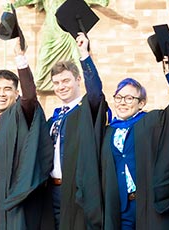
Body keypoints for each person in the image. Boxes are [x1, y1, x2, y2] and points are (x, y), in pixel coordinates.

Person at [99, 54, 169, 228]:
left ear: (141, 103)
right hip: (119, 208)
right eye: (118, 97)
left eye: (129, 98)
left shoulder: (151, 122)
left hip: (148, 203)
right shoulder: (108, 131)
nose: (122, 102)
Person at [0, 38, 55, 230]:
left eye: (7, 89)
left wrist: (20, 58)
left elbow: (29, 96)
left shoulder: (20, 115)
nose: (1, 94)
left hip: (15, 199)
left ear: (16, 93)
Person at [45, 33, 108, 229]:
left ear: (78, 79)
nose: (60, 87)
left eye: (65, 81)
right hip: (52, 192)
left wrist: (84, 54)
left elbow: (96, 92)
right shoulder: (53, 119)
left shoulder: (86, 110)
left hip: (77, 190)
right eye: (56, 83)